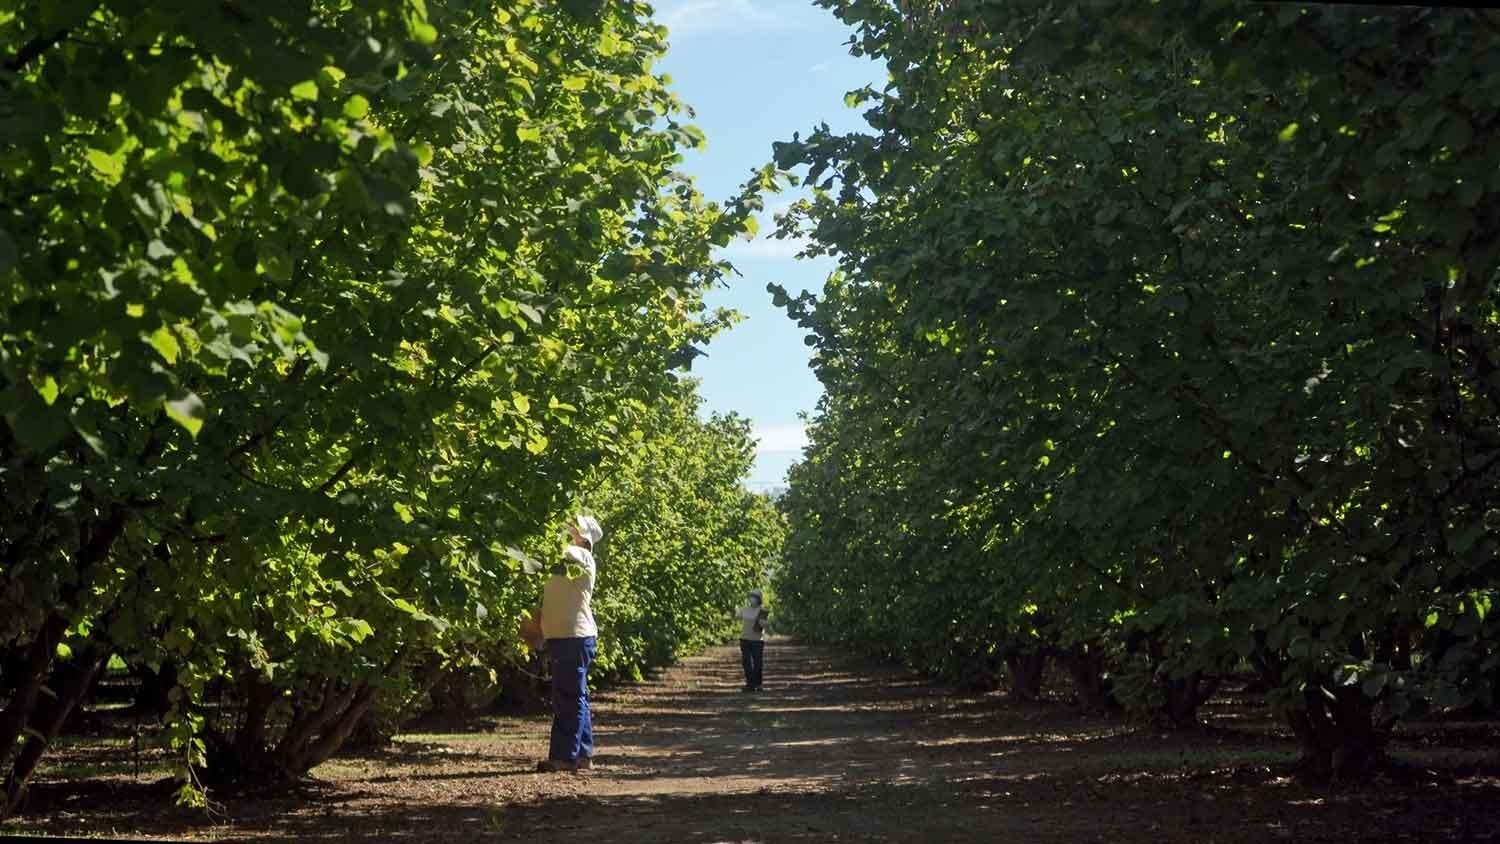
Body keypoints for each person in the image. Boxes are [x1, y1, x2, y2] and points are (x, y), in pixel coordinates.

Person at [536, 514, 603, 773]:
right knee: (576, 697)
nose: (568, 530)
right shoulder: (566, 559)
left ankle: (565, 757)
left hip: (573, 637)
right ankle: (583, 754)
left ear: (583, 537)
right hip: (567, 637)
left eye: (574, 528)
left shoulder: (583, 557)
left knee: (568, 698)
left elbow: (551, 548)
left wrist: (544, 532)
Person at [737, 589, 768, 692]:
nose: (752, 599)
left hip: (757, 640)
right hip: (744, 639)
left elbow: (764, 625)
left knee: (757, 662)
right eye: (751, 596)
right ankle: (749, 684)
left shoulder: (762, 611)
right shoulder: (745, 610)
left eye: (754, 597)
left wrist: (763, 623)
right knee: (746, 662)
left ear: (759, 599)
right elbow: (737, 616)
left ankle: (758, 684)